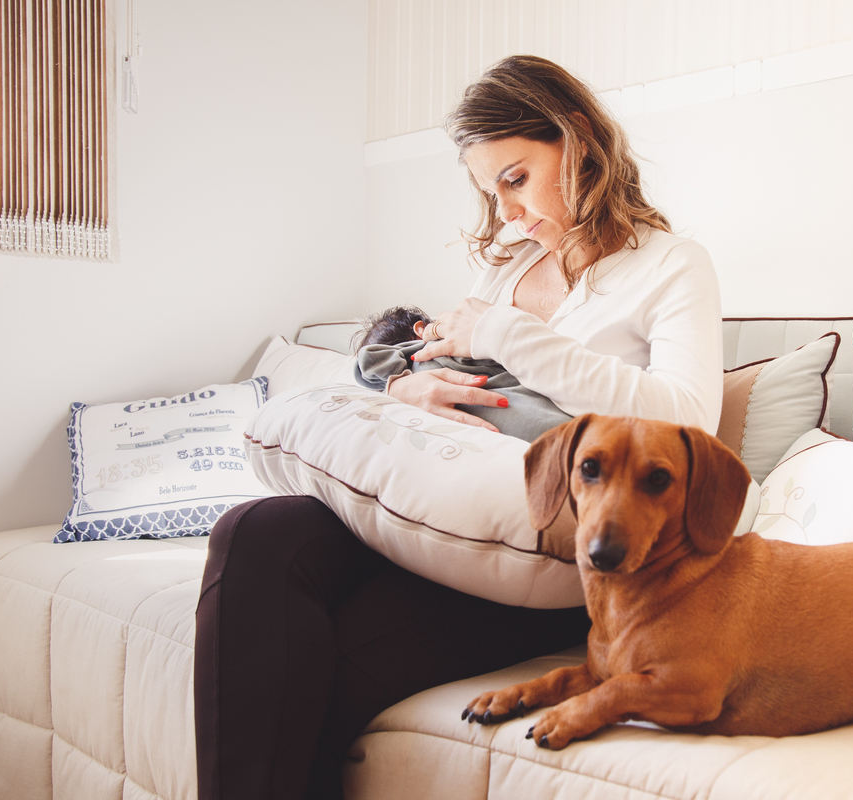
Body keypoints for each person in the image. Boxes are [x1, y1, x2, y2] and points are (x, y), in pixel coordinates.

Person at [194, 54, 723, 800]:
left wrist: (510, 334)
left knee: (317, 659)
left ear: (577, 139)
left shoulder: (671, 266)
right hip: (442, 502)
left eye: (516, 178)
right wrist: (411, 386)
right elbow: (451, 366)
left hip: (544, 549)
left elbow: (689, 420)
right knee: (257, 532)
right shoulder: (506, 271)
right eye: (490, 192)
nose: (507, 212)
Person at [353, 304, 573, 442]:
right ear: (422, 329)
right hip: (553, 429)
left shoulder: (433, 351)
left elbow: (366, 362)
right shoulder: (419, 365)